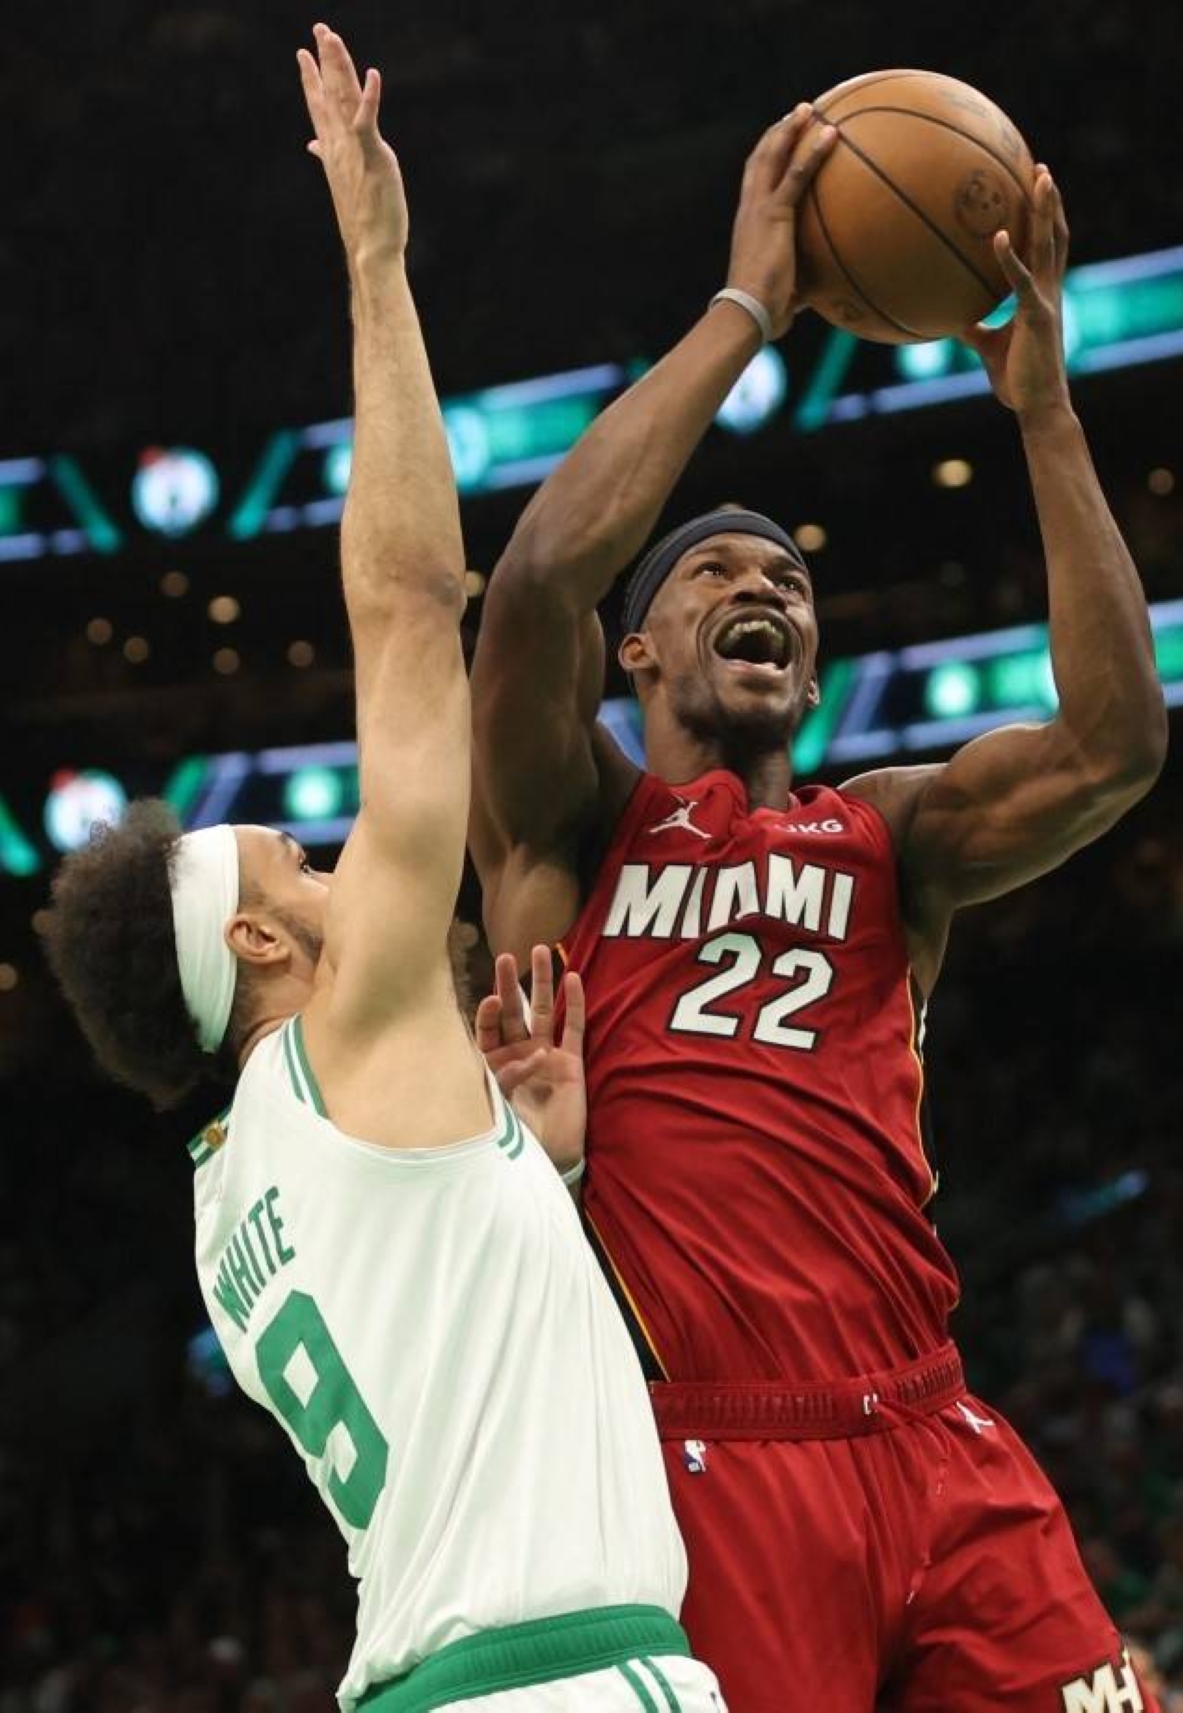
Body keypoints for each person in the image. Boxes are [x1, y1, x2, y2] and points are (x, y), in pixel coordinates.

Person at [41, 26, 727, 1713]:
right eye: (306, 860)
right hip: (559, 1682)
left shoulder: (229, 1207)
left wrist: (521, 1173)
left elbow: (436, 1328)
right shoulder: (348, 1032)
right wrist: (375, 256)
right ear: (268, 941)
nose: (351, 858)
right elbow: (417, 603)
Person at [469, 101, 1169, 1713]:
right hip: (712, 1442)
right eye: (716, 574)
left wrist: (1046, 411)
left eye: (789, 579)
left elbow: (1119, 744)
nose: (765, 587)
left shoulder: (896, 835)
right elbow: (533, 587)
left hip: (939, 1430)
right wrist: (748, 310)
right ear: (637, 656)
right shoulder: (572, 827)